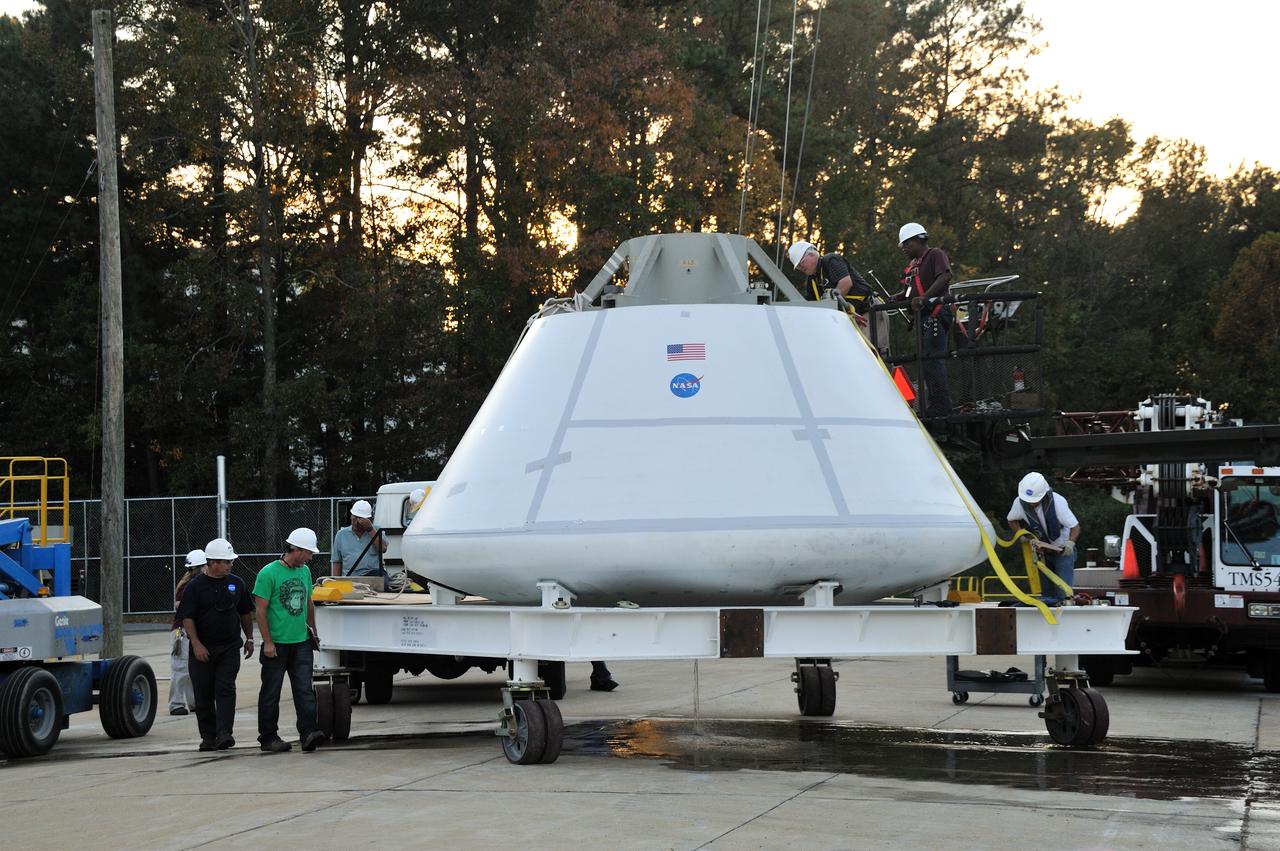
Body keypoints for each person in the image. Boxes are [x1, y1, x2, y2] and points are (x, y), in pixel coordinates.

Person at [177, 538, 254, 750]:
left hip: (229, 648)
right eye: (225, 562)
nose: (230, 565)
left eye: (231, 562)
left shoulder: (237, 583)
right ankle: (208, 737)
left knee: (226, 688)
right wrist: (197, 644)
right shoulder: (194, 587)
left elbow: (245, 612)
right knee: (203, 694)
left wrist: (249, 638)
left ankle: (224, 733)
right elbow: (187, 618)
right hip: (202, 650)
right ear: (212, 563)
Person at [254, 527, 327, 753]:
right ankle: (268, 737)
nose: (310, 557)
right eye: (308, 553)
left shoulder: (304, 572)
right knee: (271, 692)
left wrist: (313, 631)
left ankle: (308, 733)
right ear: (294, 549)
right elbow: (260, 611)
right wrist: (267, 642)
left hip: (301, 642)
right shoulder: (268, 574)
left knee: (305, 689)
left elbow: (308, 603)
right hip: (276, 645)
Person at [897, 222, 953, 417]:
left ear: (918, 240)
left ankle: (942, 407)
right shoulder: (913, 267)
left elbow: (945, 276)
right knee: (926, 362)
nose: (905, 249)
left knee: (933, 360)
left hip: (937, 313)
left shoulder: (935, 255)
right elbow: (909, 292)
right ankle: (934, 404)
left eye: (907, 244)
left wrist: (925, 298)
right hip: (925, 317)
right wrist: (898, 298)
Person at [1007, 472, 1081, 605]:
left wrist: (1070, 543)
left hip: (1062, 551)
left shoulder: (1058, 502)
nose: (1031, 503)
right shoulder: (1020, 503)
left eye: (1034, 500)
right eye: (1028, 500)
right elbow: (1011, 520)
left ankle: (1065, 615)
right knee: (1046, 595)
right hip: (1042, 553)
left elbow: (1075, 527)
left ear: (1043, 495)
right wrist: (1022, 536)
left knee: (1063, 593)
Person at [786, 240, 875, 317]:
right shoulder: (812, 280)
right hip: (849, 317)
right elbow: (811, 306)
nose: (801, 268)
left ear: (811, 254)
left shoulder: (830, 260)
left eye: (801, 263)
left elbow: (846, 283)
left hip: (868, 310)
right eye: (798, 267)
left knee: (869, 336)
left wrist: (831, 297)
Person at [168, 549, 205, 716]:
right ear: (200, 567)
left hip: (191, 631)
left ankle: (194, 702)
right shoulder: (190, 585)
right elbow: (182, 607)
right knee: (181, 668)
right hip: (181, 632)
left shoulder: (191, 583)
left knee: (192, 669)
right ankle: (176, 703)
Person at [331, 498, 388, 591]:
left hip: (373, 574)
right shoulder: (341, 534)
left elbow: (383, 549)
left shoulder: (376, 530)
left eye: (361, 519)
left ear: (369, 519)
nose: (357, 522)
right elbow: (337, 561)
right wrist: (336, 583)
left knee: (383, 586)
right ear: (351, 516)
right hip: (350, 576)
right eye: (355, 517)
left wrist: (370, 530)